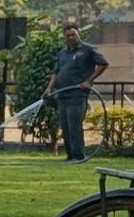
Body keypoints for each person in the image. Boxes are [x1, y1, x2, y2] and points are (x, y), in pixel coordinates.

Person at [45, 23, 109, 163]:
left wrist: (88, 81)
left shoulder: (88, 50)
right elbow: (56, 72)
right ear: (64, 37)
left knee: (74, 125)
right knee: (65, 125)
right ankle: (70, 155)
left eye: (73, 34)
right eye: (68, 35)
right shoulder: (63, 53)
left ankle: (79, 155)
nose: (70, 37)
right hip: (62, 94)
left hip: (78, 94)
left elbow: (103, 64)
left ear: (78, 34)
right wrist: (50, 88)